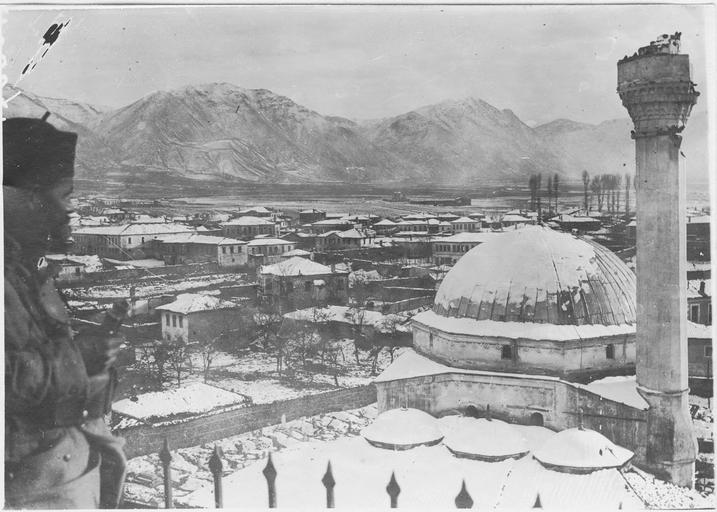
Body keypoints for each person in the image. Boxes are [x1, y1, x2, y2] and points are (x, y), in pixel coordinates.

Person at [4, 116, 127, 508]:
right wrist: (78, 358)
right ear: (18, 199)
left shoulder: (23, 272)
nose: (70, 211)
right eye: (65, 195)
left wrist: (89, 365)